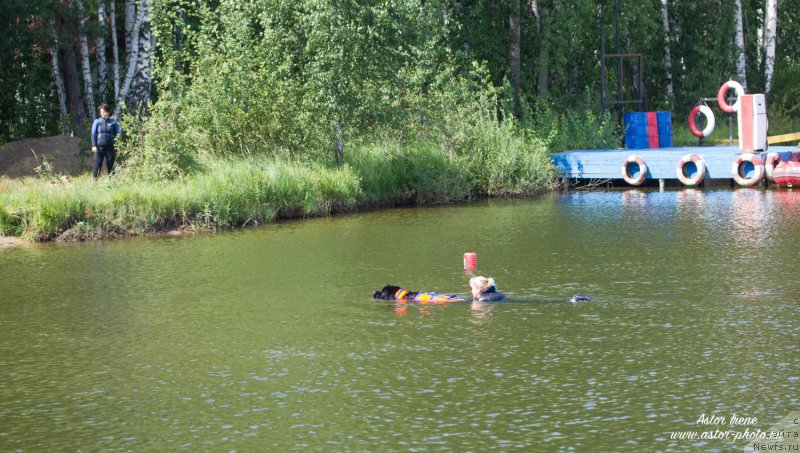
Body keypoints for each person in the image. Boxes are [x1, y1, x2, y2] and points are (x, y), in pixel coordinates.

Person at [91, 104, 120, 179]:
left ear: (108, 112)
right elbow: (93, 134)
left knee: (111, 164)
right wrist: (94, 145)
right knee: (98, 165)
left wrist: (118, 145)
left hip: (110, 146)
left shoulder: (113, 122)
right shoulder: (97, 121)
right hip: (100, 147)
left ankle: (112, 182)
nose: (102, 113)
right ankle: (94, 182)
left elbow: (118, 134)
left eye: (104, 112)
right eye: (101, 112)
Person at [372, 285, 464, 304]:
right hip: (421, 296)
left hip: (422, 298)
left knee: (452, 301)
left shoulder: (400, 301)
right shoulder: (403, 295)